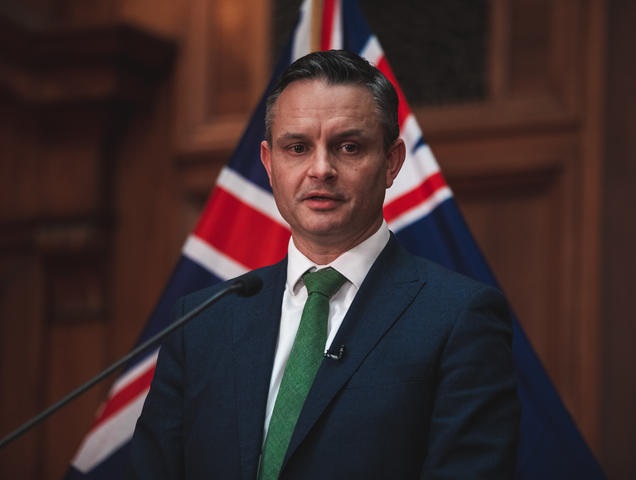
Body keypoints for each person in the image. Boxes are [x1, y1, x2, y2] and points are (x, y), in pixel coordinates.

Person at [129, 49, 519, 479]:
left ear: (391, 163)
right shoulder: (202, 322)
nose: (320, 169)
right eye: (297, 147)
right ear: (269, 164)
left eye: (348, 147)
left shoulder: (459, 318)